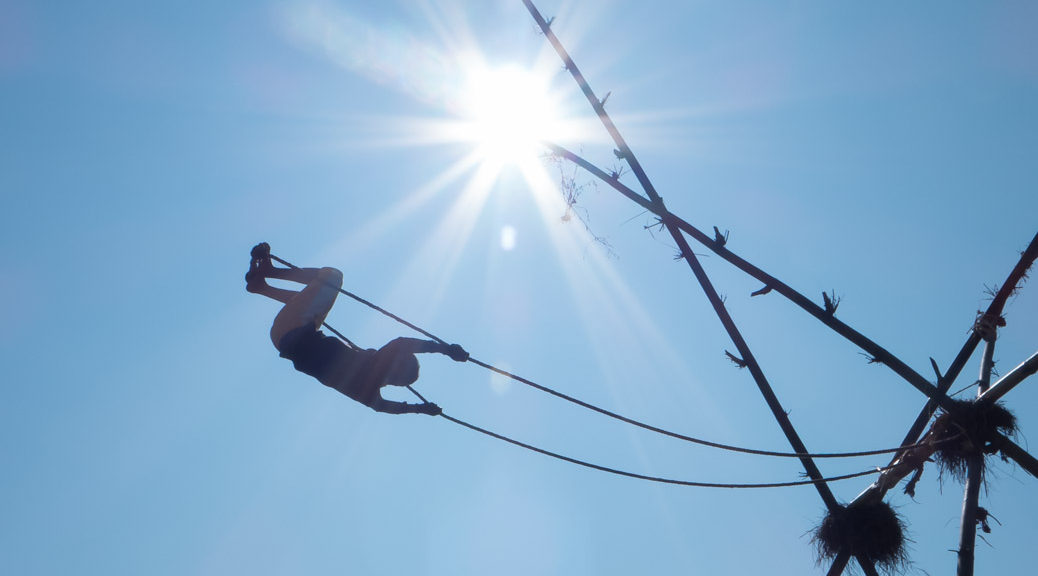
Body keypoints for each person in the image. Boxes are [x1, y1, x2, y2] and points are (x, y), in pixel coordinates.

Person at [245, 242, 468, 415]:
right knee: (306, 299)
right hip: (284, 340)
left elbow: (403, 342)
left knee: (332, 277)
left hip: (295, 329)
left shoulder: (377, 365)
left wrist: (446, 350)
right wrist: (419, 409)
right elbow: (383, 407)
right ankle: (261, 287)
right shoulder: (368, 392)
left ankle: (270, 272)